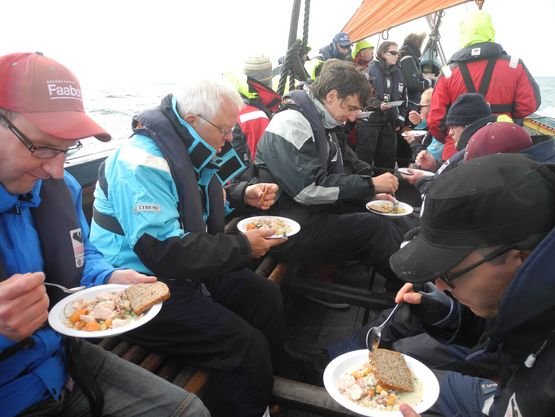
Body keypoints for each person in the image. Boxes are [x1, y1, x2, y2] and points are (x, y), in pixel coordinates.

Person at [0, 52, 209, 417]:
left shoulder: (59, 188)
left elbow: (82, 253)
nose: (57, 168)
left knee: (191, 412)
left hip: (65, 360)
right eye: (43, 146)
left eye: (67, 149)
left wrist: (108, 276)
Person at [89, 76, 285, 417]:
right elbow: (164, 251)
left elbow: (195, 204)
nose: (228, 140)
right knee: (243, 346)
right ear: (192, 119)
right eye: (224, 131)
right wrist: (241, 247)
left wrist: (241, 194)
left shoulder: (188, 145)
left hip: (184, 270)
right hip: (139, 286)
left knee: (265, 296)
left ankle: (268, 386)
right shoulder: (140, 164)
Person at [391, 153, 555, 417]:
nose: (441, 285)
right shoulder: (535, 293)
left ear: (521, 260)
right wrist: (445, 312)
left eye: (451, 273)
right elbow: (506, 333)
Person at [255, 59, 402, 286]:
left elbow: (336, 176)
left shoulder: (323, 123)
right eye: (351, 108)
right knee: (376, 228)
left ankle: (410, 275)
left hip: (311, 215)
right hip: (286, 229)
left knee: (386, 213)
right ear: (331, 96)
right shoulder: (291, 123)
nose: (353, 117)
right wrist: (370, 185)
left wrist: (368, 195)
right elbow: (308, 189)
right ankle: (411, 290)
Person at [427, 11, 541, 160]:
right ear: (491, 31)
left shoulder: (448, 73)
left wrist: (454, 136)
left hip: (459, 154)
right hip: (504, 147)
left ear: (463, 35)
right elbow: (529, 105)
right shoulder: (514, 65)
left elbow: (435, 121)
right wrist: (504, 116)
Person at [356, 41, 407, 169]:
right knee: (364, 159)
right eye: (393, 53)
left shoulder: (399, 73)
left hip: (389, 122)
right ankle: (364, 185)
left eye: (398, 53)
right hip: (369, 122)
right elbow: (360, 95)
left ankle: (387, 186)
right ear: (383, 54)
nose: (397, 56)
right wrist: (378, 104)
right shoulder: (368, 72)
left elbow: (404, 98)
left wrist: (400, 120)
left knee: (388, 160)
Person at [228, 55, 281, 163]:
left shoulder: (235, 103)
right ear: (269, 80)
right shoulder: (254, 116)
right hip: (250, 178)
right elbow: (264, 162)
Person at [398, 32, 434, 105]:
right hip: (412, 103)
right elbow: (412, 85)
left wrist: (425, 77)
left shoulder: (409, 57)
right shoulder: (407, 59)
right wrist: (431, 82)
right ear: (417, 45)